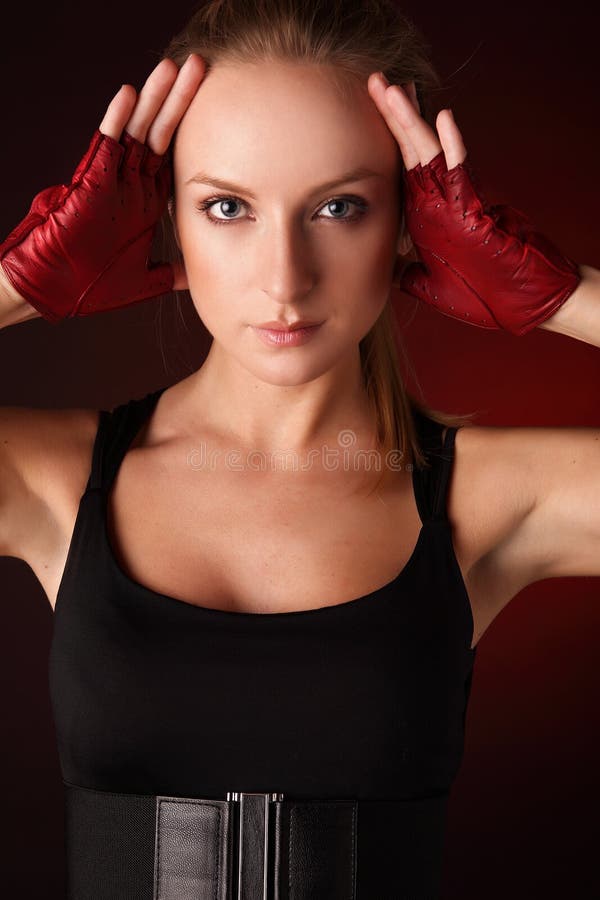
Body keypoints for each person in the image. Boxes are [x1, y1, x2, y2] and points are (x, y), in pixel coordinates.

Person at [0, 0, 598, 897]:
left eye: (340, 206)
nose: (285, 277)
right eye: (227, 206)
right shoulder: (52, 480)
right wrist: (14, 281)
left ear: (412, 224)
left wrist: (561, 298)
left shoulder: (492, 498)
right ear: (165, 219)